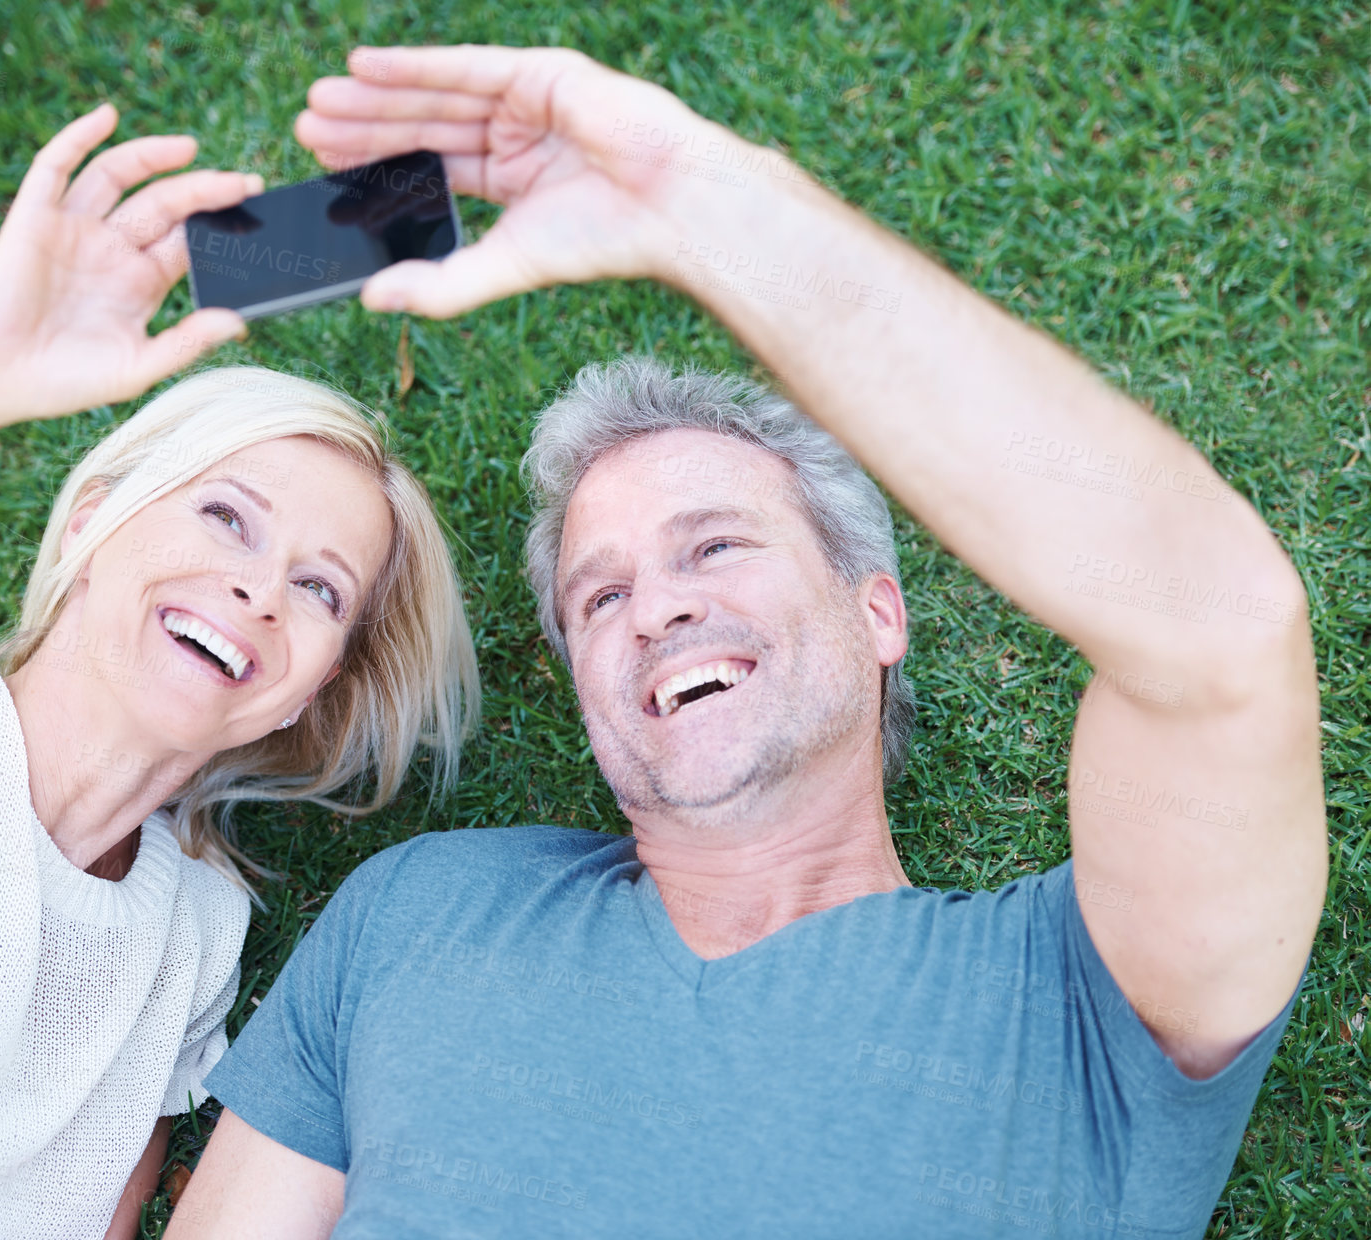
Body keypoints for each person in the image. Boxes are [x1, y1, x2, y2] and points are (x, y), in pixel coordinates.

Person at [170, 43, 1326, 1240]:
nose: (658, 606)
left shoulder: (1080, 1000)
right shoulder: (422, 917)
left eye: (715, 547)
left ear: (876, 608)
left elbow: (1219, 629)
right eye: (599, 599)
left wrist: (708, 206)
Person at [0, 102, 478, 1238]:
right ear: (95, 521)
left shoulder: (193, 938)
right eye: (227, 517)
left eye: (319, 588)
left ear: (313, 689)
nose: (258, 589)